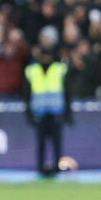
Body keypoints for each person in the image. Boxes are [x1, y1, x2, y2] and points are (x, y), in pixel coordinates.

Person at [24, 43, 72, 177]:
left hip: (56, 113)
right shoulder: (32, 70)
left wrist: (68, 112)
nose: (45, 59)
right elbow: (26, 94)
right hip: (40, 113)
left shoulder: (59, 69)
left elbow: (67, 92)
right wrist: (29, 113)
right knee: (41, 144)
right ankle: (40, 168)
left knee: (56, 144)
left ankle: (57, 168)